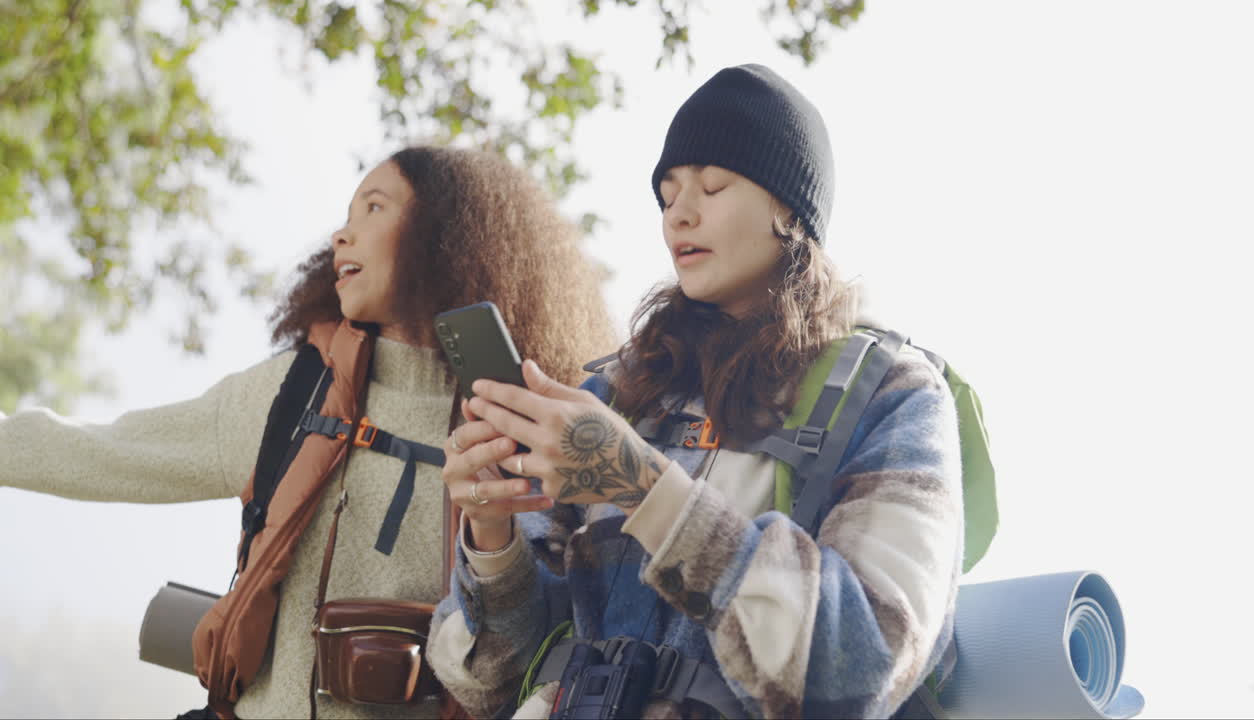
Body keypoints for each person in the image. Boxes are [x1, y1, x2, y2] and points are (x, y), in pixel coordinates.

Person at [0, 146, 616, 719]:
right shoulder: (290, 395)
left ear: (447, 236)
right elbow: (103, 452)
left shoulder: (535, 429)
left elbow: (517, 661)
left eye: (375, 208)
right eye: (347, 214)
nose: (341, 234)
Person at [427, 64, 964, 718]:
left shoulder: (892, 393)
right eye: (667, 193)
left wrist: (642, 487)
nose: (679, 213)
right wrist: (490, 531)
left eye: (712, 185)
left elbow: (860, 667)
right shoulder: (614, 391)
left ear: (789, 209)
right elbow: (487, 679)